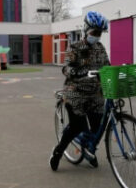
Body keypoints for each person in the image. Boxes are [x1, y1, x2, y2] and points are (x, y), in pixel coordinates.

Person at [49, 11, 110, 171]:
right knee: (77, 126)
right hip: (75, 92)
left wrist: (117, 73)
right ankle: (58, 151)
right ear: (86, 29)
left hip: (95, 94)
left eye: (99, 33)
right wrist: (79, 72)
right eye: (94, 32)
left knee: (98, 126)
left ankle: (89, 149)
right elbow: (66, 68)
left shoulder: (100, 47)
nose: (96, 36)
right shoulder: (74, 47)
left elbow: (107, 66)